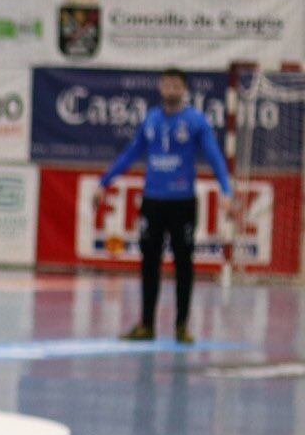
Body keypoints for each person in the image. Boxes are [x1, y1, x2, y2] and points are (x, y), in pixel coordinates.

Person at [99, 68, 231, 343]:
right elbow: (131, 153)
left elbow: (214, 155)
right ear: (160, 87)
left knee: (184, 262)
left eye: (176, 85)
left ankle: (182, 325)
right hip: (153, 201)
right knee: (149, 262)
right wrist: (105, 182)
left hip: (182, 202)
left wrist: (226, 189)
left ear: (184, 89)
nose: (171, 89)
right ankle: (146, 324)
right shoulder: (151, 120)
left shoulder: (196, 121)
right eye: (167, 84)